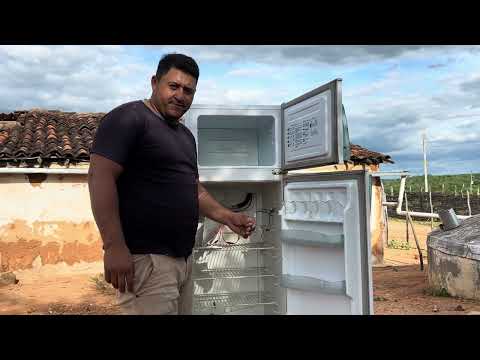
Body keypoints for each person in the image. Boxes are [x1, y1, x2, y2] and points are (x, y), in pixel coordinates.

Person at [88, 53, 256, 315]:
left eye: (188, 90)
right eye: (174, 86)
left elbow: (193, 188)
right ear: (155, 82)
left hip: (182, 262)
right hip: (147, 261)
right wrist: (113, 246)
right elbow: (100, 176)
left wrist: (227, 216)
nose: (181, 95)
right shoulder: (129, 118)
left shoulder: (185, 136)